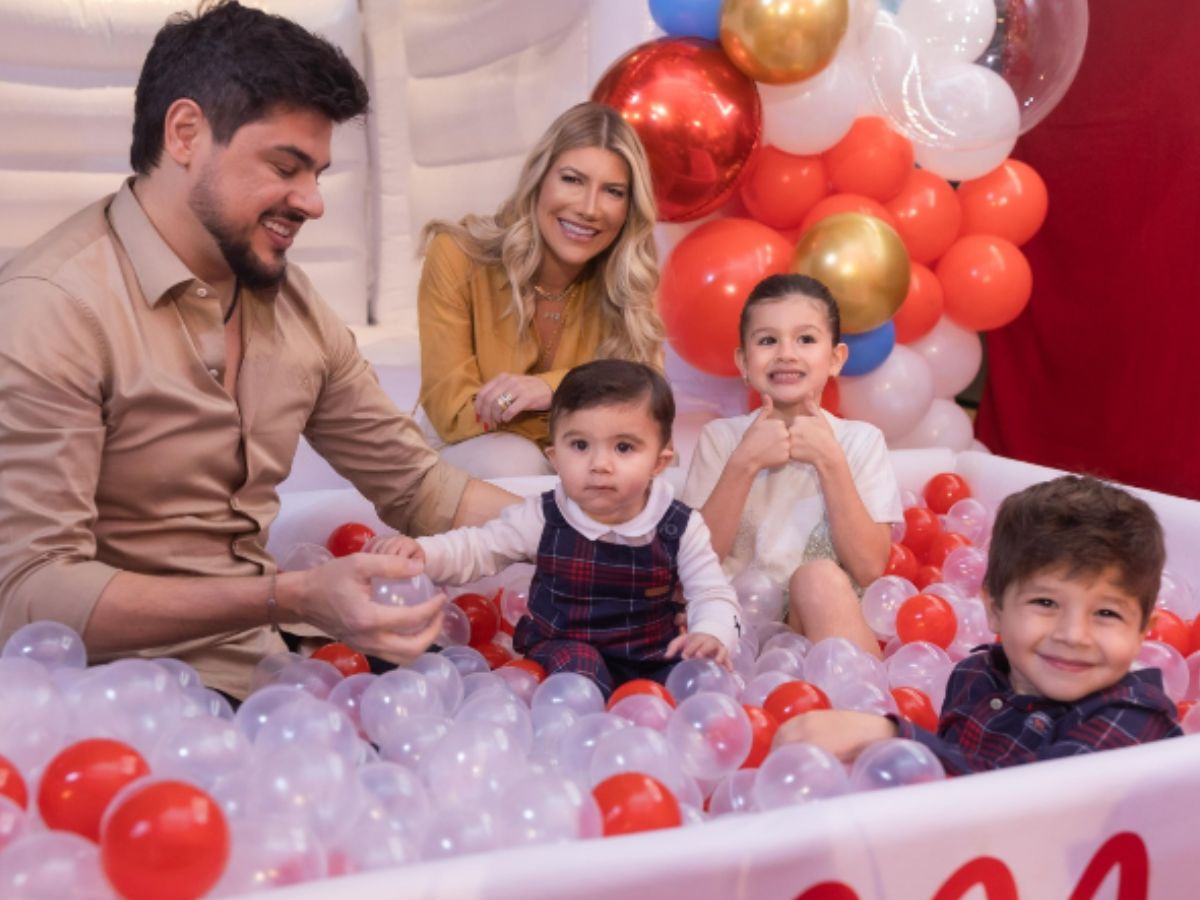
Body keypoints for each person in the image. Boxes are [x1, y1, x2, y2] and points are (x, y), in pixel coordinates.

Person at [0, 1, 515, 699]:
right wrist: (290, 597)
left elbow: (420, 487)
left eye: (319, 174)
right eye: (286, 166)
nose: (312, 202)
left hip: (279, 676)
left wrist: (616, 534)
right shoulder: (52, 307)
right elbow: (29, 595)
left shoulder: (292, 307)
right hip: (118, 709)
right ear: (185, 132)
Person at [368, 360, 741, 698]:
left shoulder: (679, 526)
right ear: (554, 458)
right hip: (566, 646)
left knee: (697, 683)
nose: (599, 464)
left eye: (624, 448)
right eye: (580, 445)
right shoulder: (546, 516)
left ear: (659, 463)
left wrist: (711, 632)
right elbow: (479, 547)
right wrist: (424, 554)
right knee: (579, 677)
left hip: (649, 653)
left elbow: (711, 590)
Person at [775, 475, 1182, 774]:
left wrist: (893, 737)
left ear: (1143, 627)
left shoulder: (1133, 717)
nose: (1074, 635)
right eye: (1045, 603)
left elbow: (1032, 809)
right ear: (994, 608)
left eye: (1107, 614)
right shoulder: (976, 676)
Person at [415, 101, 665, 479]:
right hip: (467, 449)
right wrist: (585, 405)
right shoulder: (457, 254)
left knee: (652, 471)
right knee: (515, 462)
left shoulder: (624, 277)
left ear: (629, 208)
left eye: (612, 191)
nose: (589, 208)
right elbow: (452, 413)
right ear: (539, 180)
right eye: (572, 180)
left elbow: (643, 404)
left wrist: (552, 390)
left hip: (576, 455)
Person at [681, 273, 902, 656]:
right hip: (737, 627)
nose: (786, 353)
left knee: (817, 577)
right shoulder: (721, 439)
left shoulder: (860, 441)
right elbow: (696, 562)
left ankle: (861, 711)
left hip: (822, 626)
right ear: (743, 361)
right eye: (767, 340)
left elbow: (869, 568)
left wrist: (830, 461)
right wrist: (744, 463)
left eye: (806, 339)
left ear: (835, 359)